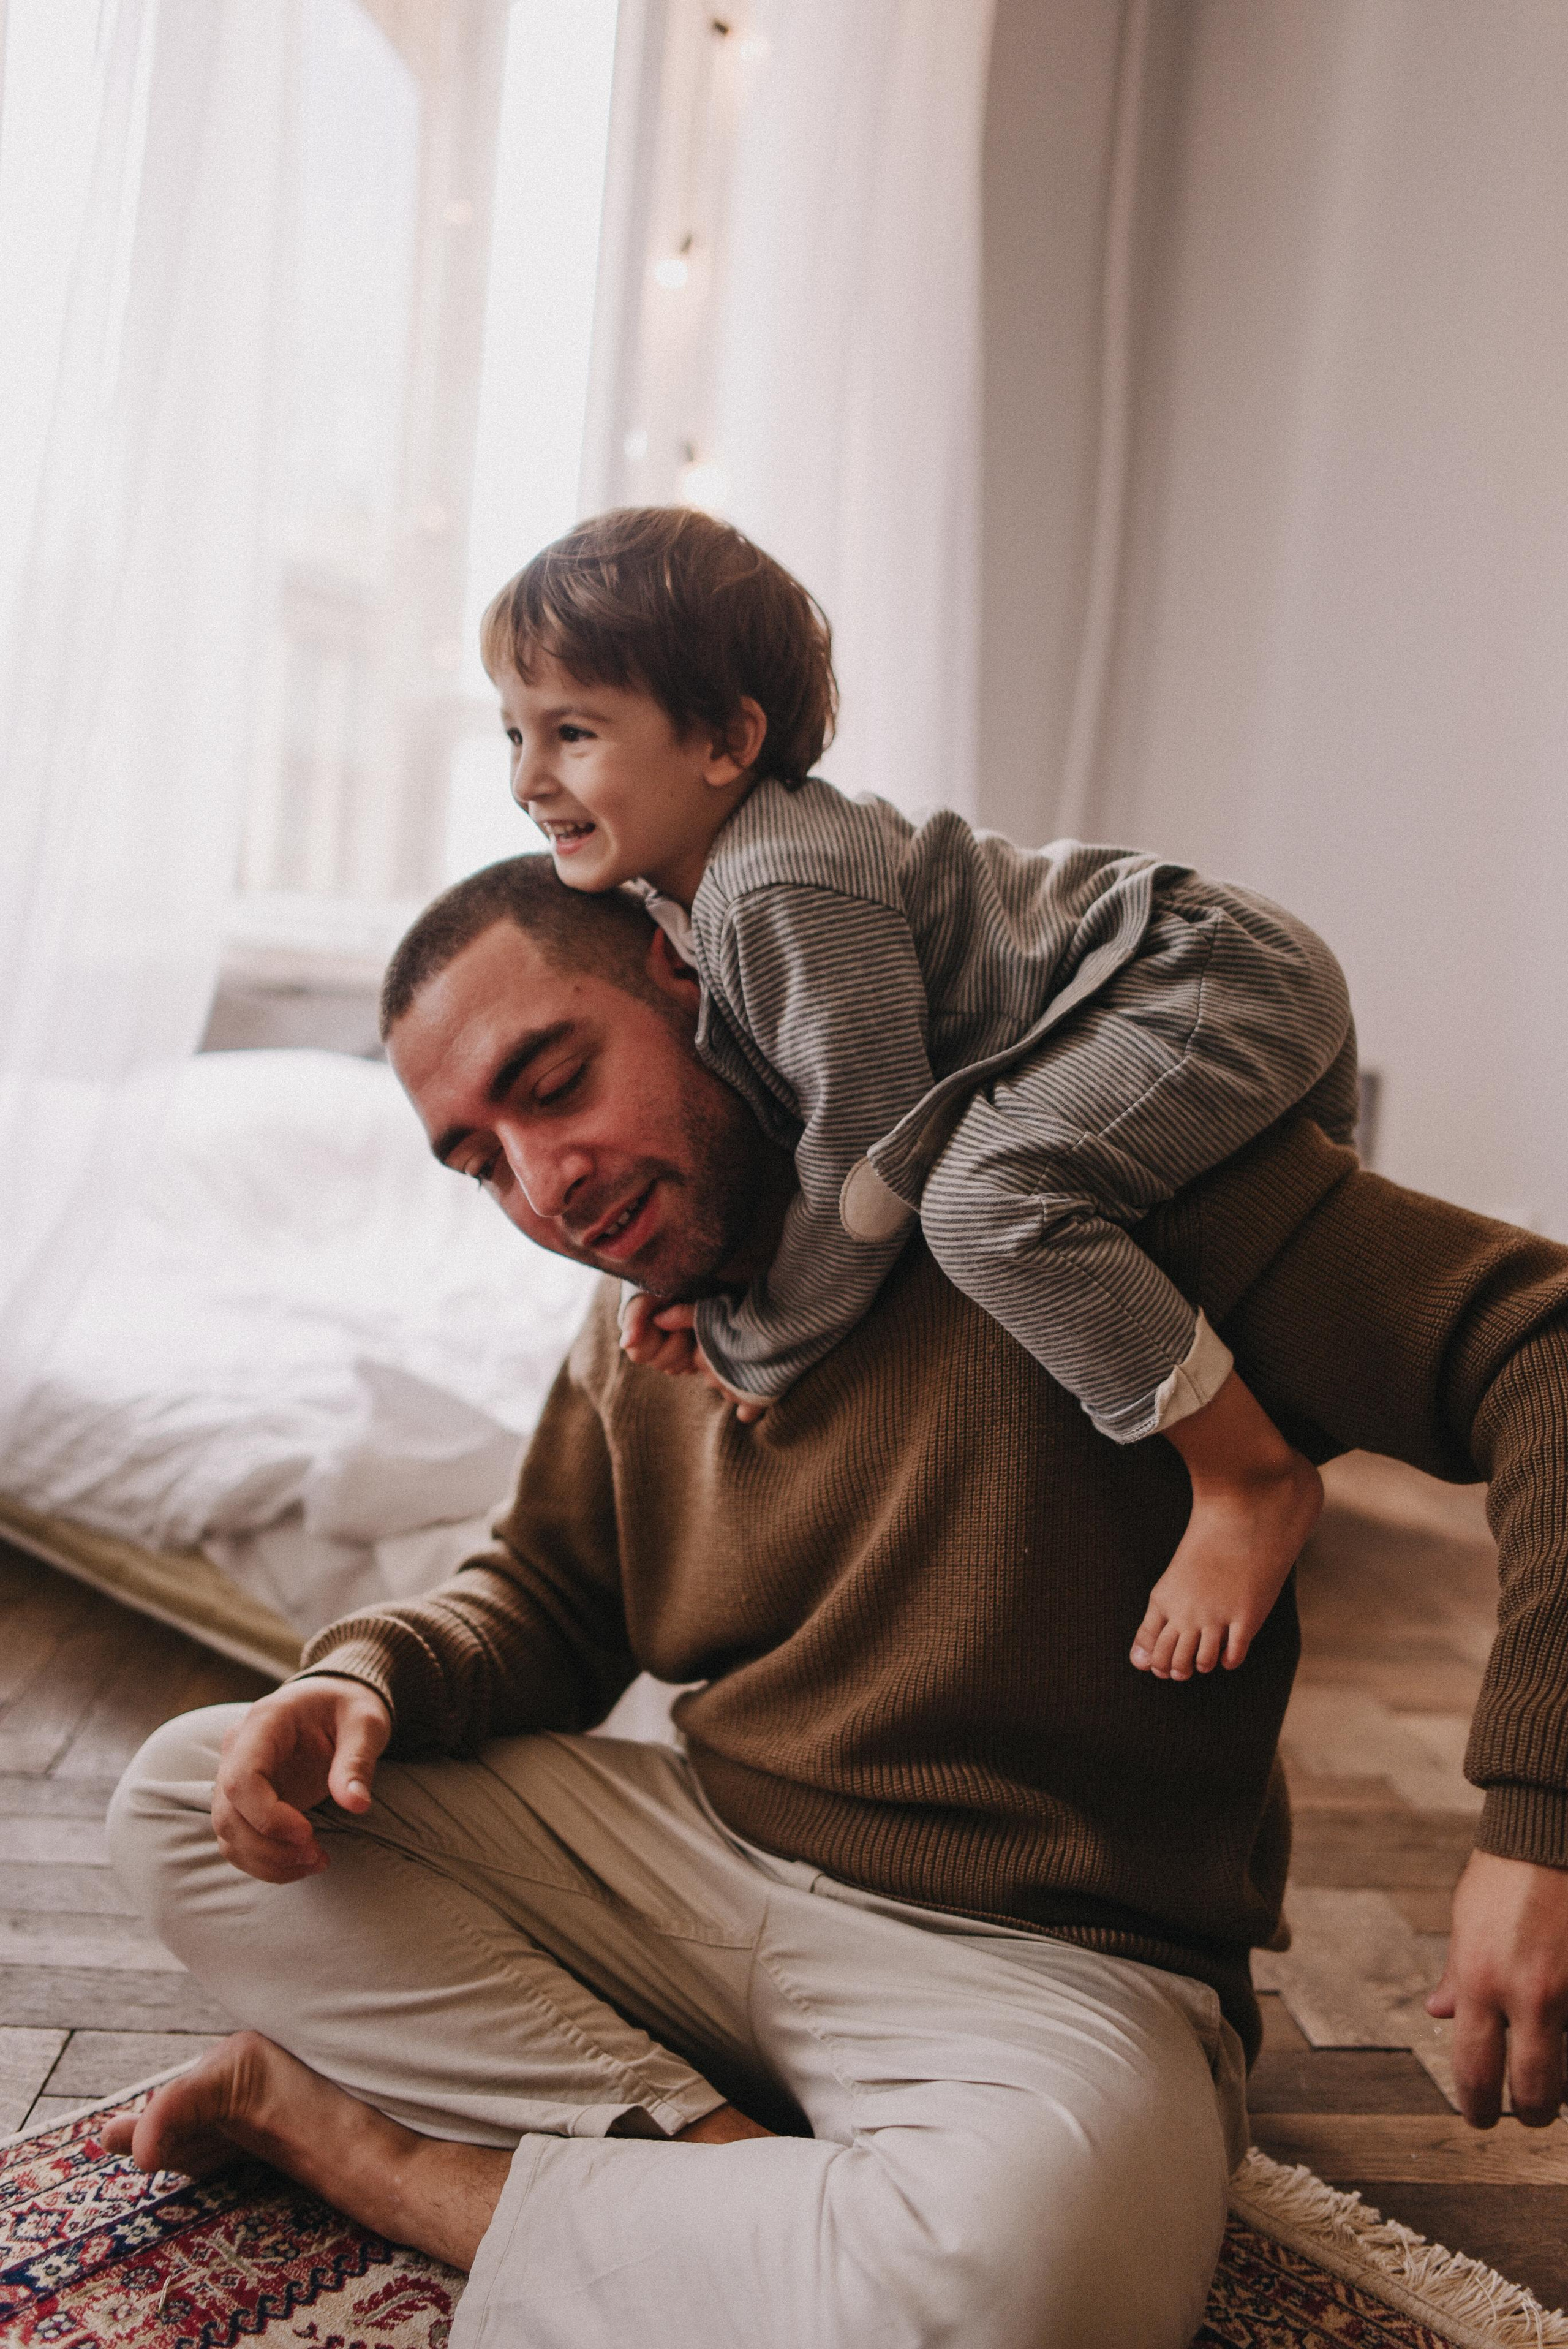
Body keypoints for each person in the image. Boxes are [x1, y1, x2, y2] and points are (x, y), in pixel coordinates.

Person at [105, 860, 1568, 2349]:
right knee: (181, 1799)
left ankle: (378, 2155)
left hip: (1047, 1955)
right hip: (698, 1864)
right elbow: (542, 1596)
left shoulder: (1078, 1191)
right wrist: (367, 1681)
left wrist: (1534, 1818)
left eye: (553, 1086)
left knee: (1024, 2290)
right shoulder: (640, 1328)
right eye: (480, 1163)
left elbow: (1543, 1347)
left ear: (699, 980)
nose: (544, 1189)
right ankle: (730, 2182)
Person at [479, 506, 1355, 1683]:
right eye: (514, 735)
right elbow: (788, 1120)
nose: (530, 778)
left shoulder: (773, 881)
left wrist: (761, 1342)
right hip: (1183, 977)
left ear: (727, 741)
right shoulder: (692, 898)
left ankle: (1249, 1473)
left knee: (983, 1200)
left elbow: (862, 1154)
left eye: (572, 732)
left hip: (1200, 974)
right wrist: (710, 1283)